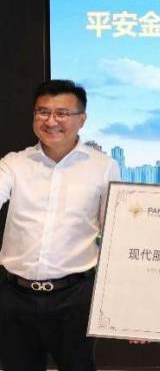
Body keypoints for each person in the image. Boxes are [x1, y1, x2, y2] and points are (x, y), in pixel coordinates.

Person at [0, 79, 119, 371]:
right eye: (43, 112)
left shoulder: (103, 166)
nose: (51, 121)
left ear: (82, 119)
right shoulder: (14, 164)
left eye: (62, 113)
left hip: (75, 297)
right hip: (15, 296)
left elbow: (115, 232)